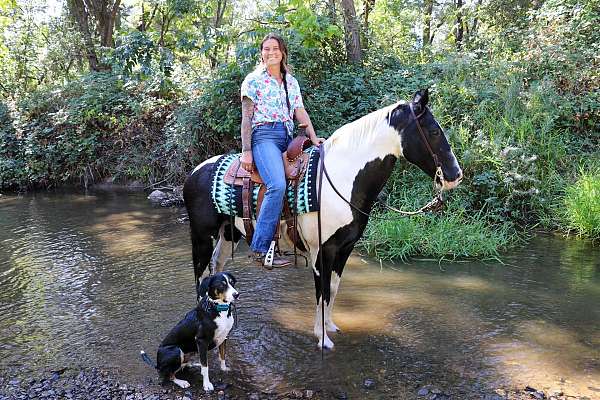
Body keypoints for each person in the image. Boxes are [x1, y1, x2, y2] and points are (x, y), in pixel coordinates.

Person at [239, 32, 324, 267]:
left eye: (275, 48)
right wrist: (247, 151)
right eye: (266, 49)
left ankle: (301, 236)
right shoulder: (253, 80)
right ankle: (260, 248)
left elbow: (300, 112)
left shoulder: (291, 81)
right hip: (263, 136)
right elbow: (246, 119)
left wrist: (314, 138)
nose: (271, 52)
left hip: (287, 136)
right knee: (277, 184)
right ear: (261, 53)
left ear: (282, 52)